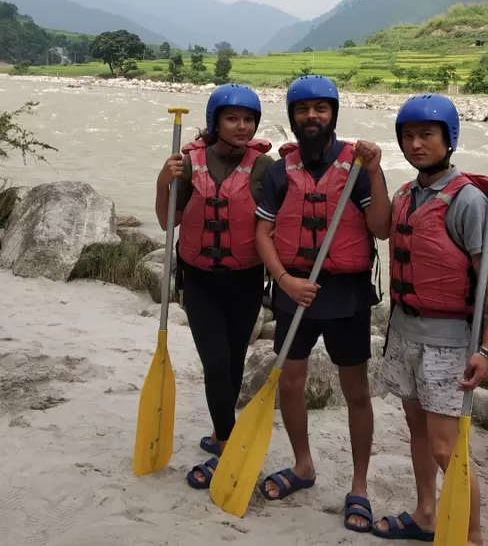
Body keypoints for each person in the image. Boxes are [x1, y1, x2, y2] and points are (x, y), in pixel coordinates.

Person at [254, 74, 391, 533]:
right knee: (290, 383)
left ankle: (359, 485)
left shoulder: (357, 167)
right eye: (302, 109)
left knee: (356, 393)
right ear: (292, 117)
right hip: (294, 289)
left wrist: (375, 170)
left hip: (346, 294)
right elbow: (262, 234)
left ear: (333, 114)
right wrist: (284, 281)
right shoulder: (280, 172)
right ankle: (303, 465)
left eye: (320, 108)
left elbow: (381, 228)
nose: (311, 116)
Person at [373, 93, 488, 544]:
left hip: (447, 344)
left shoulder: (467, 201)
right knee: (418, 432)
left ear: (449, 140)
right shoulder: (404, 195)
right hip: (404, 332)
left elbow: (487, 281)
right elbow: (379, 228)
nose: (416, 144)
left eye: (426, 135)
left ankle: (471, 535)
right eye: (408, 136)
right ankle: (426, 513)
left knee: (447, 448)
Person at [154, 83, 275, 490]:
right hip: (201, 280)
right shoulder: (189, 163)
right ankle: (226, 443)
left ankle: (221, 428)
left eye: (248, 119)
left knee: (235, 361)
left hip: (245, 280)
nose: (242, 126)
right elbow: (167, 221)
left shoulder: (264, 167)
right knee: (217, 363)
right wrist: (162, 181)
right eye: (232, 118)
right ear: (215, 122)